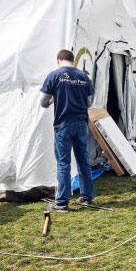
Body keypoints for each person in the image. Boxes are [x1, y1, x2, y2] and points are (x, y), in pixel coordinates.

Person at [40, 49, 96, 212]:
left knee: (63, 163)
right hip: (81, 123)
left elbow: (43, 102)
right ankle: (87, 197)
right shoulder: (84, 76)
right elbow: (89, 103)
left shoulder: (54, 75)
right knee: (83, 161)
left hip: (63, 124)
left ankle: (62, 203)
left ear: (58, 61)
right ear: (73, 61)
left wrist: (53, 100)